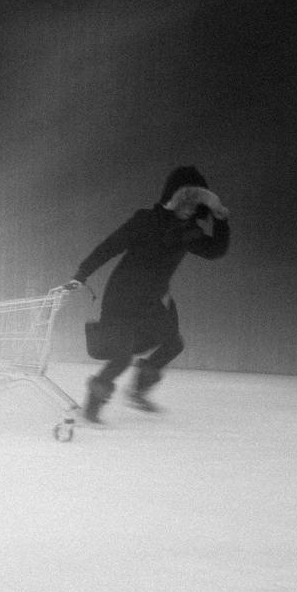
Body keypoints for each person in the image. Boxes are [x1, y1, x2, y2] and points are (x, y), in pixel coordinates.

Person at [64, 165, 231, 423]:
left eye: (194, 204)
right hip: (121, 298)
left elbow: (215, 250)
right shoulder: (146, 220)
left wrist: (221, 219)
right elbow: (110, 246)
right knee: (121, 358)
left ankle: (138, 391)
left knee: (173, 343)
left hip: (151, 301)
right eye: (183, 200)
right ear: (171, 198)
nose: (187, 208)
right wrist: (82, 273)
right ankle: (92, 407)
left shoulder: (189, 232)